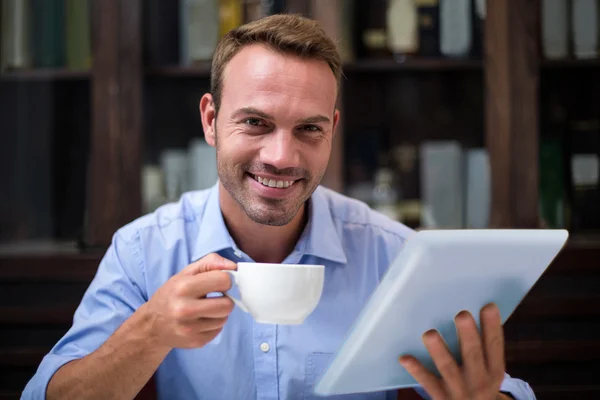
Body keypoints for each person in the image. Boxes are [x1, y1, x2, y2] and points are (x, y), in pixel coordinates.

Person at [22, 14, 535, 400]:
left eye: (308, 129)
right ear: (210, 120)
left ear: (332, 130)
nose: (281, 157)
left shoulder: (395, 257)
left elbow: (499, 389)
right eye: (255, 123)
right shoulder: (144, 252)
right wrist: (150, 332)